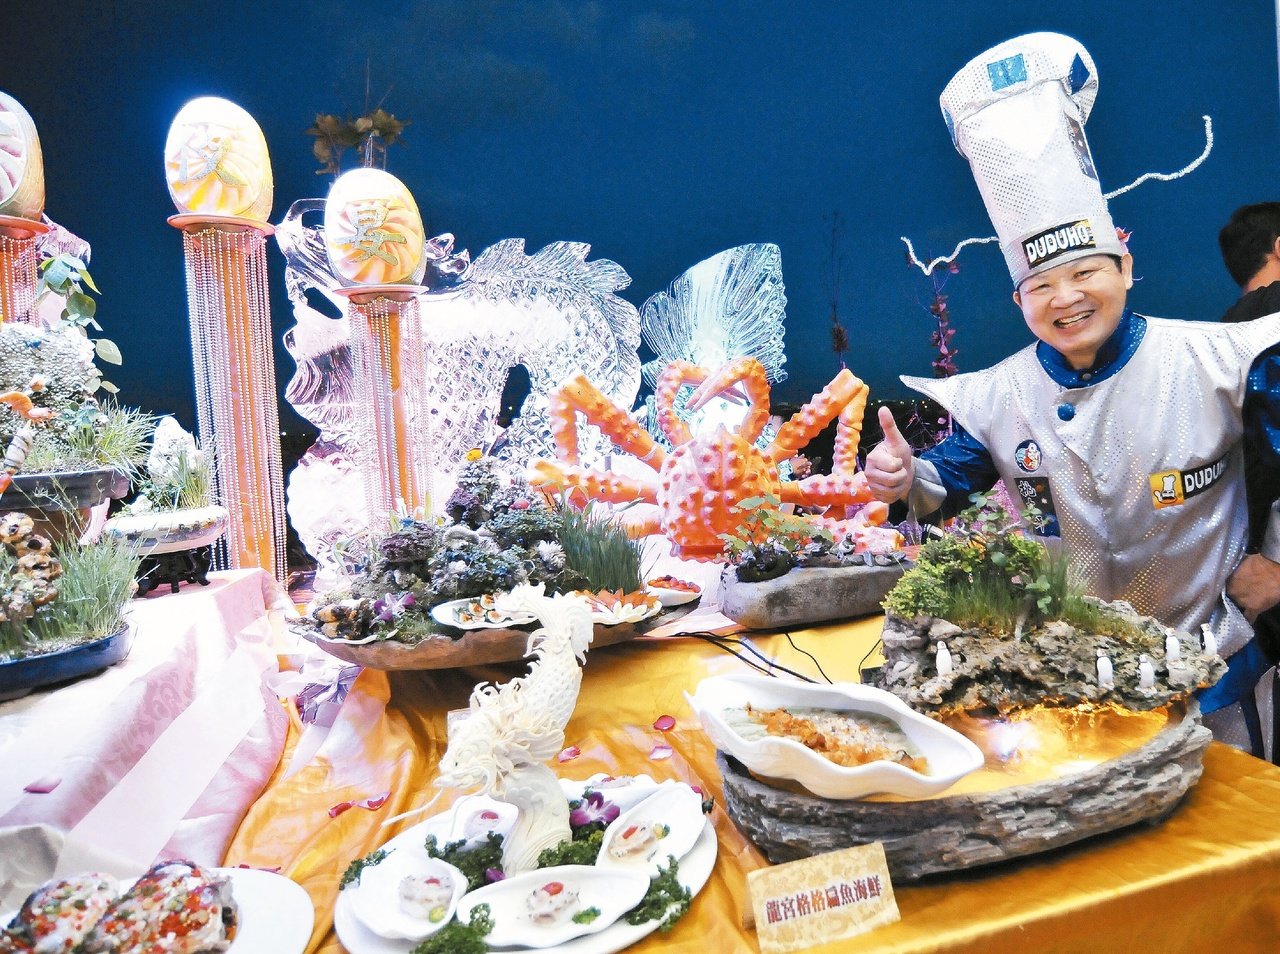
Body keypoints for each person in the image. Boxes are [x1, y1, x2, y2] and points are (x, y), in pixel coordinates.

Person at [866, 32, 1280, 757]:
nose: (1066, 298)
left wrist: (1276, 568)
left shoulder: (1219, 360)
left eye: (1085, 273)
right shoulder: (1004, 394)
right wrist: (903, 477)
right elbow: (947, 479)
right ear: (1018, 299)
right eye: (1041, 286)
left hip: (1217, 665)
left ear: (1125, 266)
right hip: (1080, 680)